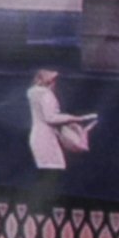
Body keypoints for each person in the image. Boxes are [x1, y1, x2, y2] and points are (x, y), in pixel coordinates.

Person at [25, 67, 96, 214]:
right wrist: (74, 118)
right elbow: (50, 117)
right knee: (51, 173)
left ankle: (37, 206)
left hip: (38, 135)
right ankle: (41, 207)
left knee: (45, 172)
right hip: (45, 137)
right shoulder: (46, 95)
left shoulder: (33, 93)